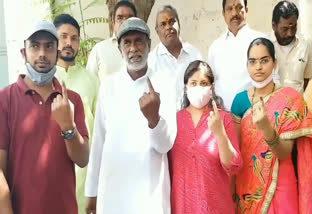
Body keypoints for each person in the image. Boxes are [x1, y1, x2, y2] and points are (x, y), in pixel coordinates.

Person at [85, 17, 177, 214]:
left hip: (149, 196)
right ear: (120, 49)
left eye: (139, 41)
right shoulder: (108, 86)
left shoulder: (164, 83)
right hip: (113, 195)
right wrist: (91, 192)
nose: (133, 48)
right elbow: (98, 142)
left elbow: (165, 145)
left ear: (149, 45)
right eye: (127, 42)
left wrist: (154, 120)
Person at [0, 20, 89, 214]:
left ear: (57, 54)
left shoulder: (71, 100)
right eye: (34, 46)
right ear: (24, 53)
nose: (42, 53)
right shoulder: (5, 99)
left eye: (49, 46)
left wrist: (68, 128)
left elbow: (83, 159)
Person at [231, 37, 312, 213]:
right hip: (248, 186)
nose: (258, 67)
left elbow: (284, 152)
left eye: (264, 60)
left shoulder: (290, 98)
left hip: (283, 182)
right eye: (253, 61)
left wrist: (265, 128)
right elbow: (237, 154)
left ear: (275, 63)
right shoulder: (239, 102)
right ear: (247, 65)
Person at [168, 60, 242, 213]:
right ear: (186, 87)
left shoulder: (224, 119)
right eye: (193, 83)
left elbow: (232, 166)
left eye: (203, 83)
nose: (198, 88)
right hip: (183, 206)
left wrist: (219, 133)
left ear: (212, 87)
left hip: (216, 206)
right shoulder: (174, 121)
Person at [53, 14, 99, 214]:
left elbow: (100, 133)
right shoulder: (44, 80)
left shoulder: (91, 81)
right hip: (52, 176)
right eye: (63, 37)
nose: (68, 43)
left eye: (74, 38)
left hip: (85, 177)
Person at [208, 0, 264, 111]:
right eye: (229, 9)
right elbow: (211, 85)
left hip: (255, 116)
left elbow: (273, 79)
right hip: (224, 119)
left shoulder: (260, 41)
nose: (234, 13)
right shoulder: (215, 47)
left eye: (239, 7)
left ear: (246, 10)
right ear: (223, 14)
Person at [148, 5, 202, 110]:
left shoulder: (194, 55)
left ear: (179, 24)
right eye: (163, 24)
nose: (168, 27)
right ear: (157, 31)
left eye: (172, 21)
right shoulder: (151, 62)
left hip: (193, 122)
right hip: (165, 125)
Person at [86, 0, 137, 82]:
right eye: (120, 18)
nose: (124, 22)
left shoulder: (143, 50)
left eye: (129, 18)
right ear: (113, 22)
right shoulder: (99, 50)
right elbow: (90, 84)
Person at [271, 0, 312, 93]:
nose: (290, 34)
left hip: (298, 105)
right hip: (274, 105)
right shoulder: (267, 46)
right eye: (285, 29)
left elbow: (308, 78)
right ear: (274, 25)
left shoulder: (306, 44)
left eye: (293, 27)